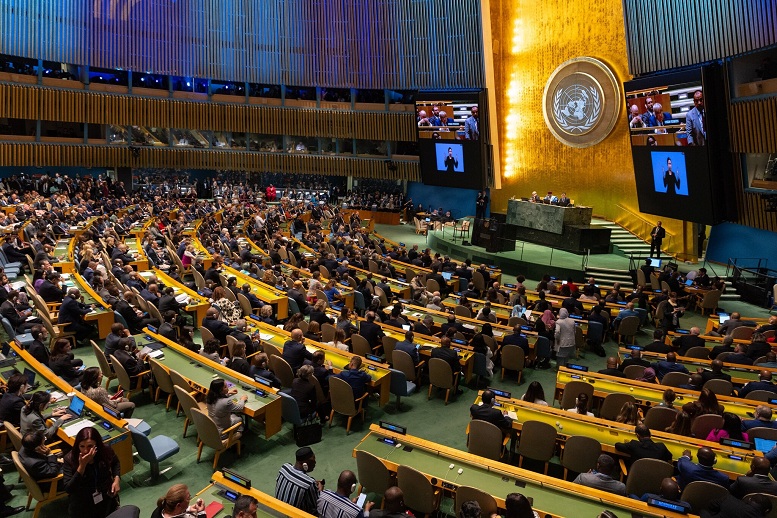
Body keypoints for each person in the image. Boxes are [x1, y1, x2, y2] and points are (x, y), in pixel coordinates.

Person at [63, 426, 121, 518]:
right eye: (82, 446)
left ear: (97, 445)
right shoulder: (69, 459)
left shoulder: (106, 450)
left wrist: (116, 479)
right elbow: (69, 489)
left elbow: (115, 463)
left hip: (106, 498)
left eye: (90, 446)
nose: (85, 451)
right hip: (83, 504)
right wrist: (82, 466)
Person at [275, 447, 323, 515]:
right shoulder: (309, 483)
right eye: (312, 461)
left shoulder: (284, 467)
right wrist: (320, 491)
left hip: (278, 511)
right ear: (304, 464)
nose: (315, 463)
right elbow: (317, 505)